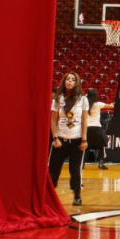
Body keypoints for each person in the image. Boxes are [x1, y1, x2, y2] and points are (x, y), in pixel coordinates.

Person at [49, 71, 89, 206]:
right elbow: (53, 120)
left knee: (75, 170)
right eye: (67, 79)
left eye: (72, 79)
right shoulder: (57, 99)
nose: (69, 81)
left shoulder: (83, 99)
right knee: (53, 170)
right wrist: (55, 138)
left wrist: (84, 140)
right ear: (63, 82)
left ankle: (77, 195)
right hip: (60, 140)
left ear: (77, 83)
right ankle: (49, 196)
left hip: (76, 141)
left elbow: (84, 121)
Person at [85, 87, 114, 169]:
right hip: (97, 129)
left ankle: (82, 164)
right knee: (102, 146)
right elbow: (111, 106)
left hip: (86, 128)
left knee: (85, 147)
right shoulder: (98, 104)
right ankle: (101, 163)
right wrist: (112, 103)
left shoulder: (84, 105)